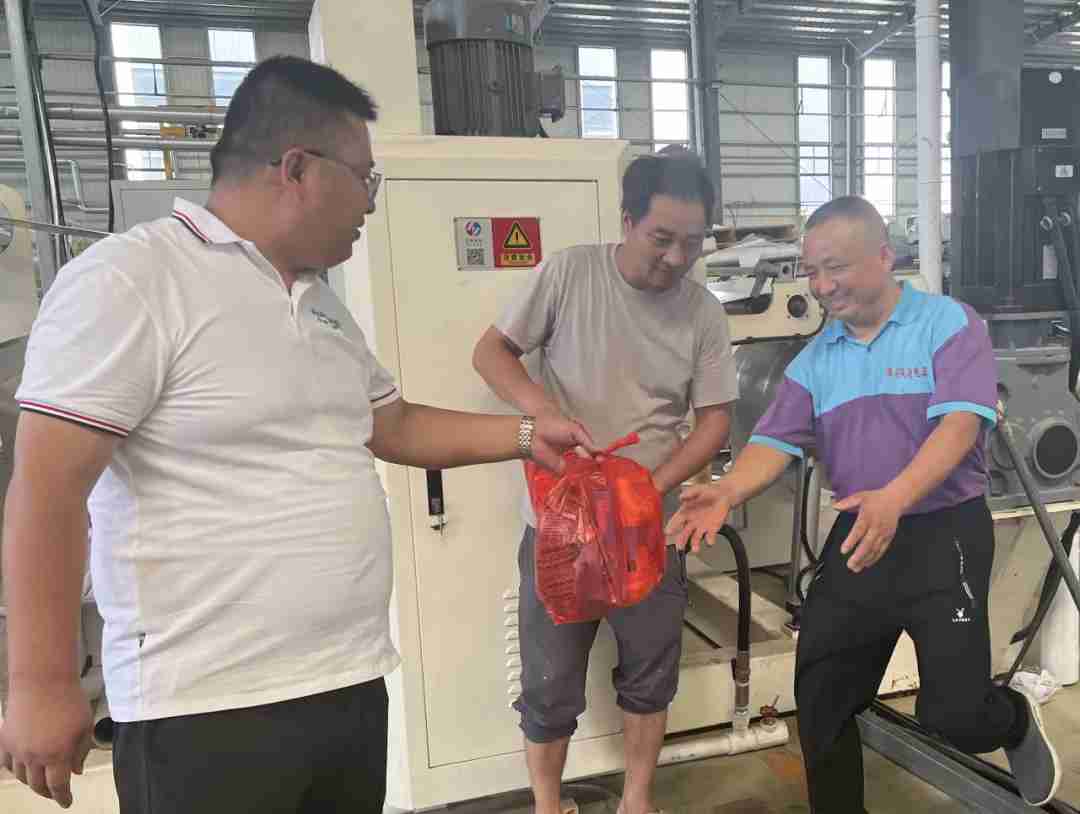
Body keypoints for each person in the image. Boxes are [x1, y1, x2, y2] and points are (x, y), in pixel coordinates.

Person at [0, 56, 594, 814]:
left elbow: (393, 423)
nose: (370, 204)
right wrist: (40, 683)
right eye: (365, 179)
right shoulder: (132, 280)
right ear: (298, 169)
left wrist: (527, 433)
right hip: (206, 709)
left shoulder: (319, 305)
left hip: (345, 685)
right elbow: (47, 490)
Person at [666, 195, 1060, 811]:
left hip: (945, 536)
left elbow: (960, 424)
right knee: (821, 699)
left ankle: (1009, 718)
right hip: (859, 537)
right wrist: (726, 489)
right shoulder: (817, 359)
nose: (823, 286)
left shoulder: (948, 325)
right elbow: (773, 441)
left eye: (837, 268)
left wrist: (894, 498)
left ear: (884, 257)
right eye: (812, 272)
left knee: (953, 715)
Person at [473, 154, 739, 814]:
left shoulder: (704, 313)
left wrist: (649, 488)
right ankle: (547, 804)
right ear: (626, 221)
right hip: (559, 529)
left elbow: (714, 422)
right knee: (549, 682)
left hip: (649, 531)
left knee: (650, 674)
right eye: (662, 238)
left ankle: (637, 800)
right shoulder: (569, 274)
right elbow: (491, 353)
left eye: (693, 242)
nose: (677, 258)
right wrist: (543, 412)